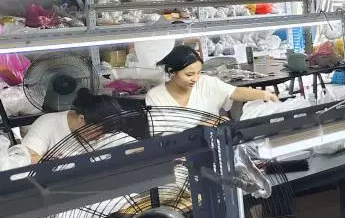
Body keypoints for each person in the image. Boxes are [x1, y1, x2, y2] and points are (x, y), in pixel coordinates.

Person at [145, 45, 278, 115]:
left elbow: (234, 92)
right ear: (172, 72)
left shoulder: (206, 82)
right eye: (189, 74)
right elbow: (161, 136)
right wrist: (203, 125)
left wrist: (264, 94)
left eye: (198, 72)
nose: (195, 79)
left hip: (211, 145)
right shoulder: (156, 96)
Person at [22, 89, 124, 162]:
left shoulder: (103, 128)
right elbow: (28, 158)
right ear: (81, 119)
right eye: (98, 131)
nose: (100, 137)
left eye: (105, 132)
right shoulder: (47, 124)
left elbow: (131, 147)